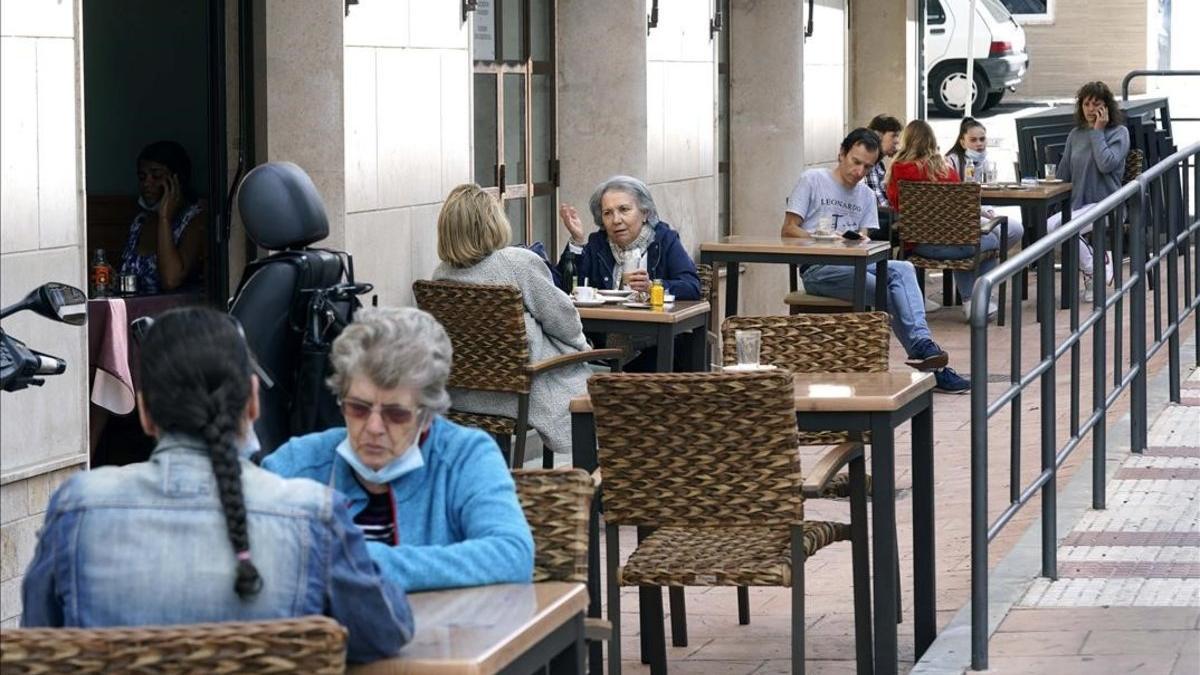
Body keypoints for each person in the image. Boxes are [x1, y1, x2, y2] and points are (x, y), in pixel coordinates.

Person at [22, 307, 412, 664]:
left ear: (144, 412)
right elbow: (385, 632)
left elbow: (38, 647)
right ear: (253, 402)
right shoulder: (312, 514)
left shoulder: (77, 508)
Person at [263, 307, 535, 592]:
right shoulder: (299, 463)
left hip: (443, 631)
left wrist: (361, 562)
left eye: (396, 414)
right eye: (358, 408)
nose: (374, 427)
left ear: (426, 413)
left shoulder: (465, 456)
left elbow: (512, 554)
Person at [782, 128, 970, 394]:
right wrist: (822, 239)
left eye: (867, 167)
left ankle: (925, 348)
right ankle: (932, 364)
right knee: (894, 294)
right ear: (841, 154)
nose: (859, 172)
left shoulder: (866, 196)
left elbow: (865, 238)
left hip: (856, 263)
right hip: (819, 267)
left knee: (902, 269)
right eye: (855, 162)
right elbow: (788, 229)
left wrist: (857, 239)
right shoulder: (813, 179)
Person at [432, 183, 590, 456]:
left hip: (462, 396)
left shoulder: (440, 276)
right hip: (520, 393)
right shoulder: (516, 263)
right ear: (492, 222)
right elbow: (563, 320)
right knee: (597, 380)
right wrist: (581, 348)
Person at [886, 120, 1024, 321]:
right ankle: (974, 300)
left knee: (967, 241)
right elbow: (960, 210)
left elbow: (895, 204)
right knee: (990, 240)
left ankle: (973, 301)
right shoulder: (944, 169)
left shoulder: (897, 170)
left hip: (917, 246)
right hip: (956, 246)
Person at [1048, 80, 1130, 301]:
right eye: (1086, 104)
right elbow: (1063, 173)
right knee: (1049, 227)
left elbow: (1106, 164)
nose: (1091, 109)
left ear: (1107, 107)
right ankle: (1097, 265)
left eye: (1097, 104)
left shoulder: (1119, 133)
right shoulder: (1075, 134)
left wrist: (1098, 131)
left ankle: (1094, 271)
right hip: (1078, 206)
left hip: (1107, 205)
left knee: (1063, 229)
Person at [557, 175, 700, 300]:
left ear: (645, 213)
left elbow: (692, 287)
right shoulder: (598, 244)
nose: (616, 220)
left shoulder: (664, 240)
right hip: (603, 327)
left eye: (624, 210)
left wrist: (652, 287)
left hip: (652, 328)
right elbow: (564, 286)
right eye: (607, 213)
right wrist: (577, 240)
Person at [119, 141, 207, 294]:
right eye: (142, 177)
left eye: (156, 175)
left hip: (172, 314)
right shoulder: (140, 222)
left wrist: (164, 217)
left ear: (176, 179)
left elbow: (170, 279)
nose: (147, 183)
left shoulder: (195, 219)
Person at [864, 114, 903, 209]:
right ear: (878, 135)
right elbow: (880, 206)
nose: (897, 141)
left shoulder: (879, 164)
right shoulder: (869, 163)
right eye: (893, 136)